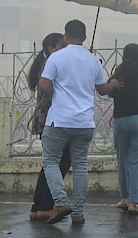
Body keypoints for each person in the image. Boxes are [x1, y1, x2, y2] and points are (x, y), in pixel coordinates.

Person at [39, 20, 121, 225]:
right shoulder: (93, 60)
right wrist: (112, 84)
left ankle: (60, 202)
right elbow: (102, 90)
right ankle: (77, 212)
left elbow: (44, 84)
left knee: (50, 161)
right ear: (84, 37)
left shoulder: (57, 57)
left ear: (66, 36)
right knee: (81, 165)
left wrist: (57, 91)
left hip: (59, 120)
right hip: (84, 122)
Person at [27, 32, 69, 221]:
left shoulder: (48, 63)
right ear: (51, 48)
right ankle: (44, 207)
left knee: (51, 163)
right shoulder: (51, 64)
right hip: (52, 118)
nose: (65, 50)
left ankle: (38, 207)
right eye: (62, 46)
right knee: (58, 163)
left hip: (46, 118)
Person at [110, 43, 138, 216]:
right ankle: (135, 202)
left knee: (123, 159)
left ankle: (125, 198)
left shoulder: (119, 72)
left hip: (120, 118)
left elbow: (110, 91)